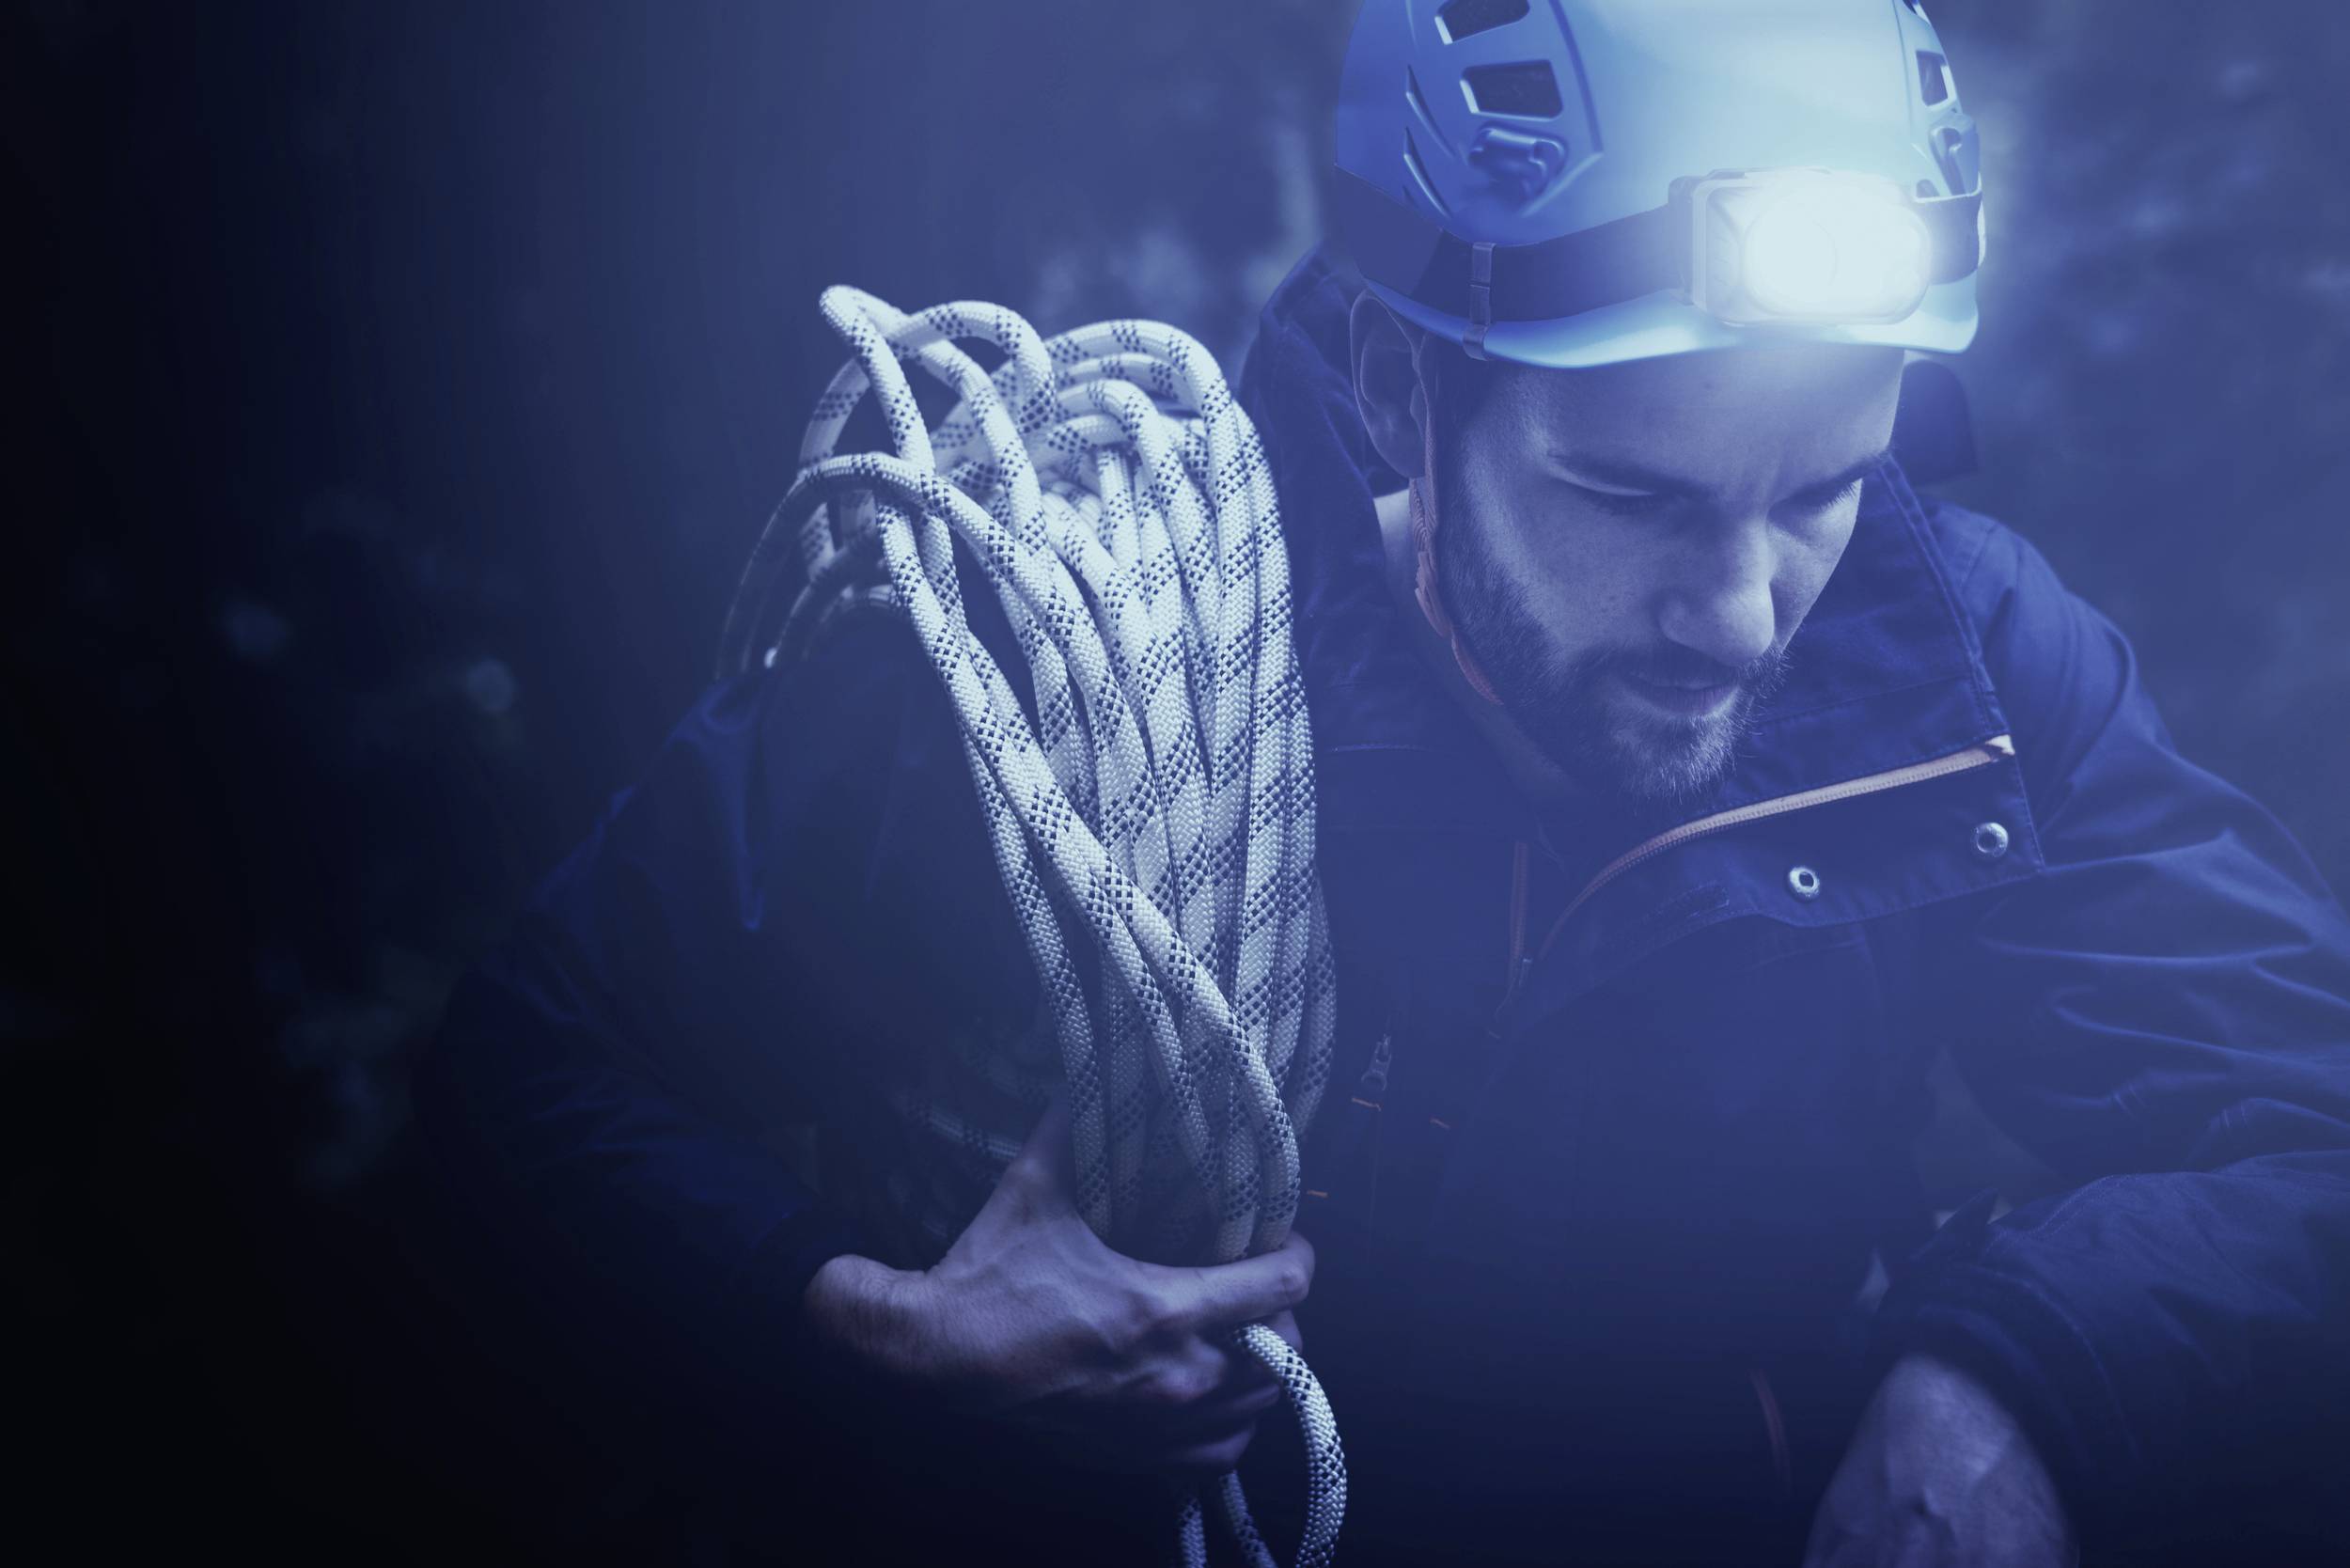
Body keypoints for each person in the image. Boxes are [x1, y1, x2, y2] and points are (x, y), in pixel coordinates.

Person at [418, 3, 2350, 1562]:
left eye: (1820, 490)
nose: (1742, 609)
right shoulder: (1068, 628)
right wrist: (850, 1321)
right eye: (1631, 496)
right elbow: (528, 1070)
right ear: (1392, 387)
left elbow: (2309, 1119)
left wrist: (2021, 1371)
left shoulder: (1956, 672)